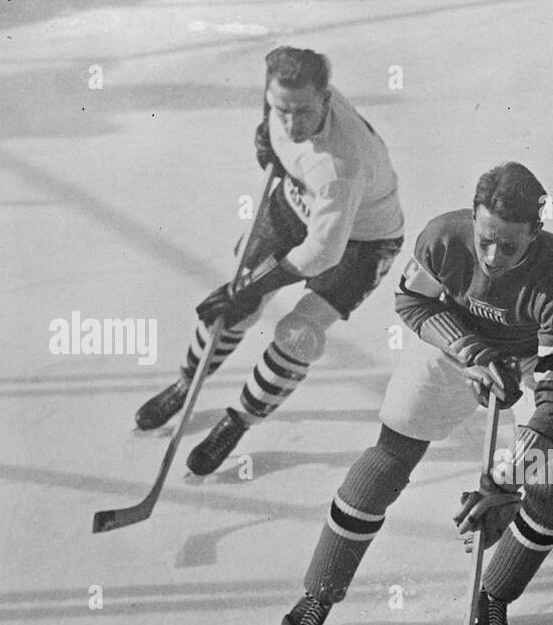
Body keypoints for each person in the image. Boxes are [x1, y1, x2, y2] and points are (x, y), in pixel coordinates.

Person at [279, 162, 553, 625]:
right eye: (485, 239)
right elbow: (413, 302)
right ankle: (319, 592)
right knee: (388, 459)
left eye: (510, 245)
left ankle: (493, 595)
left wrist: (506, 481)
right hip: (457, 347)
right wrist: (472, 351)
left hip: (531, 361)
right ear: (473, 217)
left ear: (537, 230)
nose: (493, 257)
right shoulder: (443, 238)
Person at [135, 46, 405, 475]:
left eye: (303, 112)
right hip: (296, 202)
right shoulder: (282, 98)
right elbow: (276, 107)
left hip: (362, 239)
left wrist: (250, 286)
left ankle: (236, 422)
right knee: (234, 306)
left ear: (327, 100)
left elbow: (322, 253)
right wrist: (266, 130)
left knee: (297, 333)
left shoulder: (339, 166)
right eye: (281, 110)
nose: (292, 124)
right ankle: (188, 381)